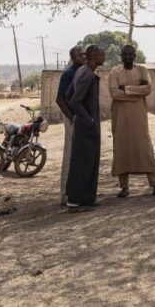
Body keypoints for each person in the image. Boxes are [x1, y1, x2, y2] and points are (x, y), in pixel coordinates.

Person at [109, 44, 155, 197]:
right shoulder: (114, 73)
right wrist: (136, 91)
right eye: (125, 55)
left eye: (130, 54)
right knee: (122, 148)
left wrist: (125, 88)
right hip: (120, 117)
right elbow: (114, 93)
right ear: (121, 56)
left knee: (144, 147)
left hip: (139, 115)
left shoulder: (142, 70)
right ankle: (124, 187)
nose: (128, 57)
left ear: (135, 56)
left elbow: (147, 89)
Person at [65, 45, 105, 212]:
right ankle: (75, 202)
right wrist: (88, 120)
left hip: (86, 125)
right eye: (102, 54)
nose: (104, 57)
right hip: (86, 127)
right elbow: (74, 101)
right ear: (95, 56)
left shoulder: (83, 70)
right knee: (82, 164)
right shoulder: (87, 74)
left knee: (88, 163)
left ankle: (87, 199)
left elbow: (68, 95)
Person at [57, 46, 85, 206]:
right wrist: (71, 117)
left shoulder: (84, 72)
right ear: (73, 57)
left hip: (81, 117)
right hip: (72, 116)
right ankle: (66, 194)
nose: (83, 56)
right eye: (80, 55)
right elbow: (60, 99)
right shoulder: (68, 74)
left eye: (84, 54)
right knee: (70, 153)